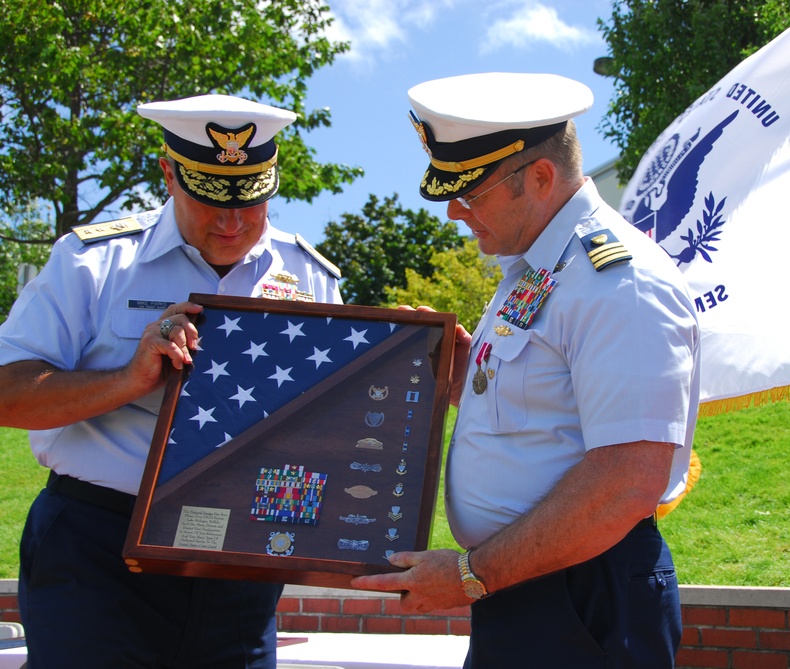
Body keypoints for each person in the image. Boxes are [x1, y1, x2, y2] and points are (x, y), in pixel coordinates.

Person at [352, 72, 701, 668]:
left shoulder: (618, 281)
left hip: (582, 597)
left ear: (540, 178)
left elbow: (627, 479)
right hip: (527, 586)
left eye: (471, 193)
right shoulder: (537, 269)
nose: (456, 213)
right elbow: (542, 417)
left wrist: (469, 576)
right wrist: (462, 375)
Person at [1, 94, 343, 669]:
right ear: (168, 173)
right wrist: (128, 379)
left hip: (239, 560)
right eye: (209, 200)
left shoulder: (309, 274)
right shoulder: (94, 263)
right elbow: (8, 393)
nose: (232, 222)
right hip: (99, 554)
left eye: (252, 200)